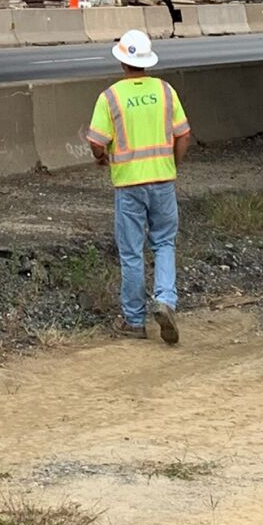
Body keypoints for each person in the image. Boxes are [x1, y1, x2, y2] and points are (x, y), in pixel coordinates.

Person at [86, 28, 191, 345]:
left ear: (121, 61)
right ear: (146, 61)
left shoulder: (110, 97)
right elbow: (183, 134)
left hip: (129, 185)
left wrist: (102, 157)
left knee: (132, 253)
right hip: (162, 180)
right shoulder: (165, 91)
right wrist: (171, 164)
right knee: (164, 244)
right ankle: (165, 301)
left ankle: (134, 321)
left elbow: (95, 141)